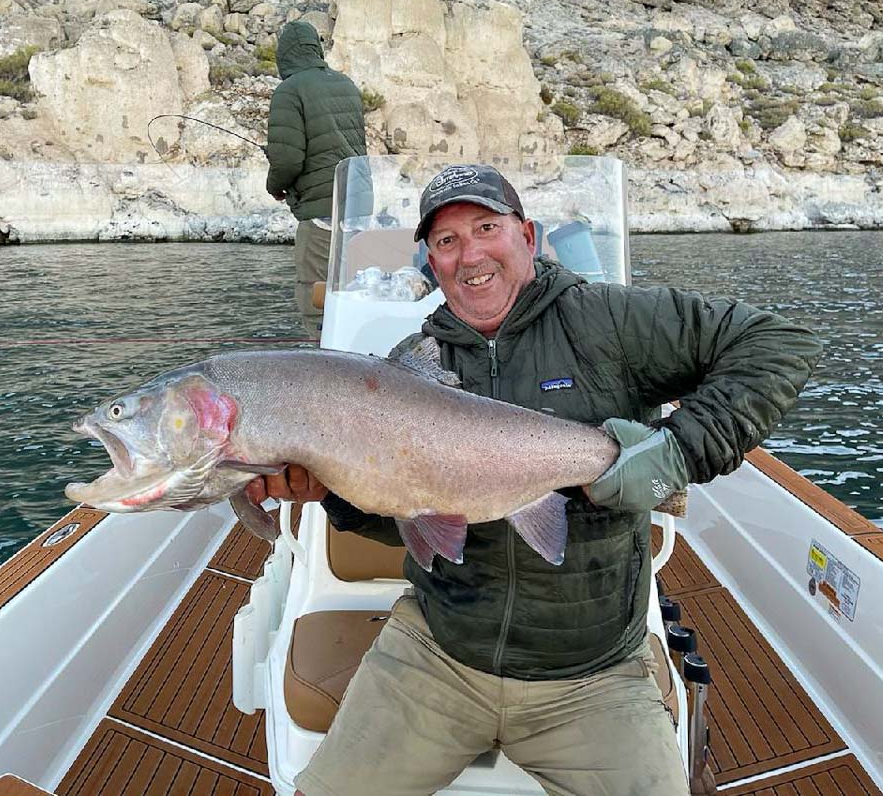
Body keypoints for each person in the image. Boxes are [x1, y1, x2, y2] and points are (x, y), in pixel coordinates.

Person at [246, 163, 823, 796]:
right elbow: (401, 521)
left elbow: (779, 343)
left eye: (486, 228)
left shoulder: (611, 322)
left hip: (593, 677)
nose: (470, 255)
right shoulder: (408, 373)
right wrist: (330, 492)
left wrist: (678, 452)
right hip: (439, 655)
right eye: (446, 241)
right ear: (430, 261)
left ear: (527, 234)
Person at [265, 20, 367, 339]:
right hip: (358, 210)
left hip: (320, 216)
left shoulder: (289, 90)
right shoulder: (346, 84)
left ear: (286, 55)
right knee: (353, 302)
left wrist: (275, 187)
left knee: (317, 305)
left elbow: (287, 159)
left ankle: (326, 377)